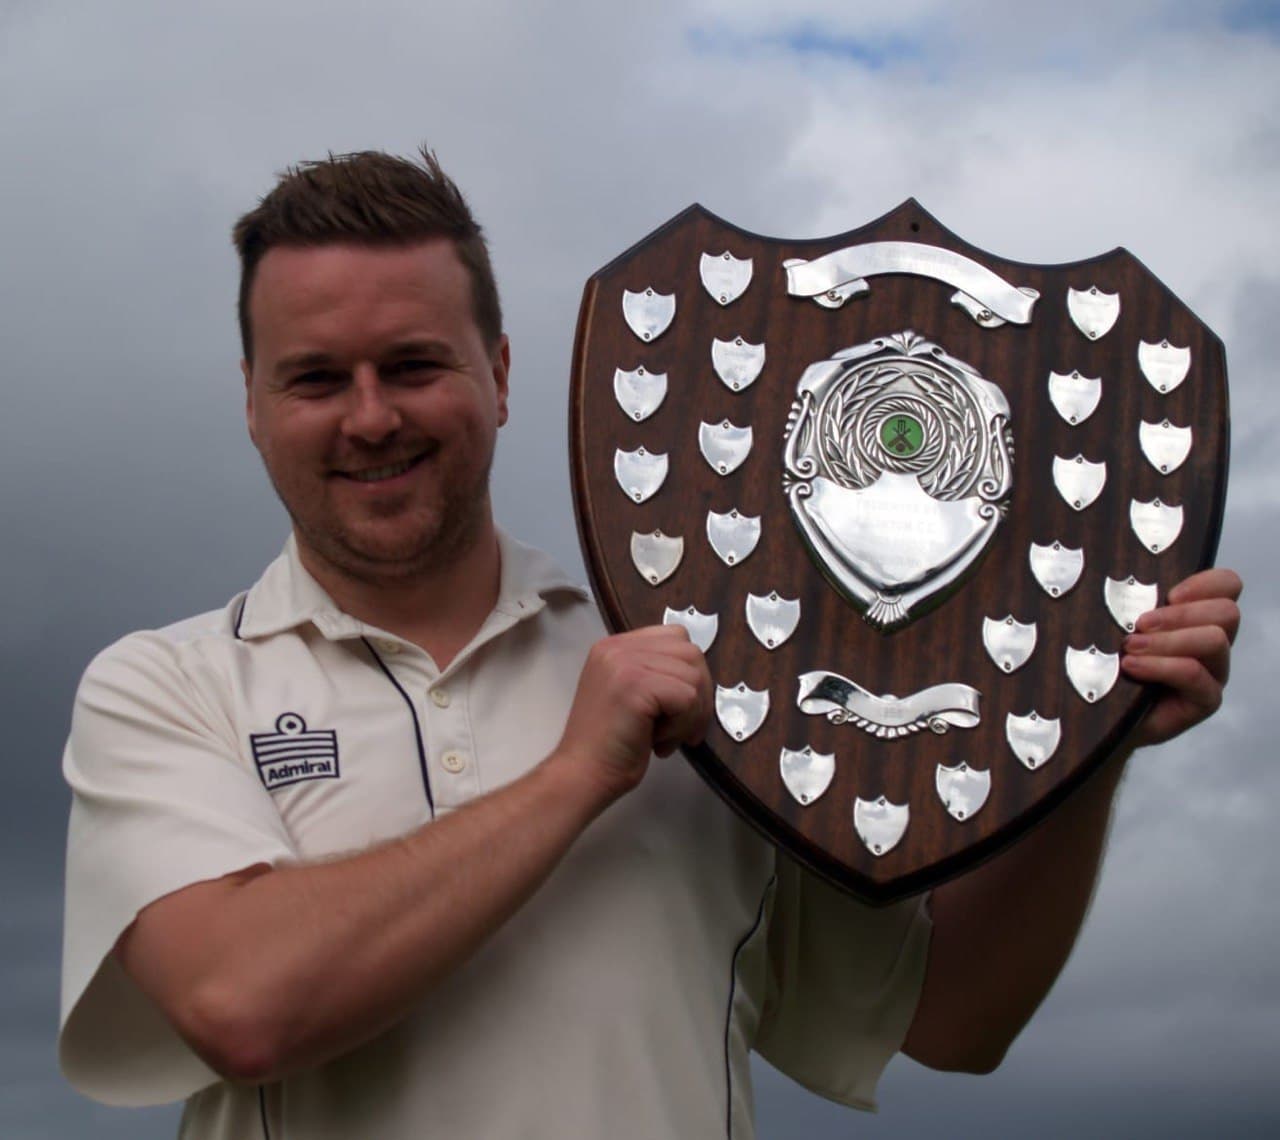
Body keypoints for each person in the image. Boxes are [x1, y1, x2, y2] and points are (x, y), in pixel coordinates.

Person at [59, 148, 1242, 1139]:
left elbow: (951, 1023)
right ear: (253, 403)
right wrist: (579, 775)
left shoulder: (721, 670)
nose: (371, 416)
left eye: (414, 364)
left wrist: (1094, 739)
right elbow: (239, 1006)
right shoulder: (166, 685)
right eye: (317, 378)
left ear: (503, 375)